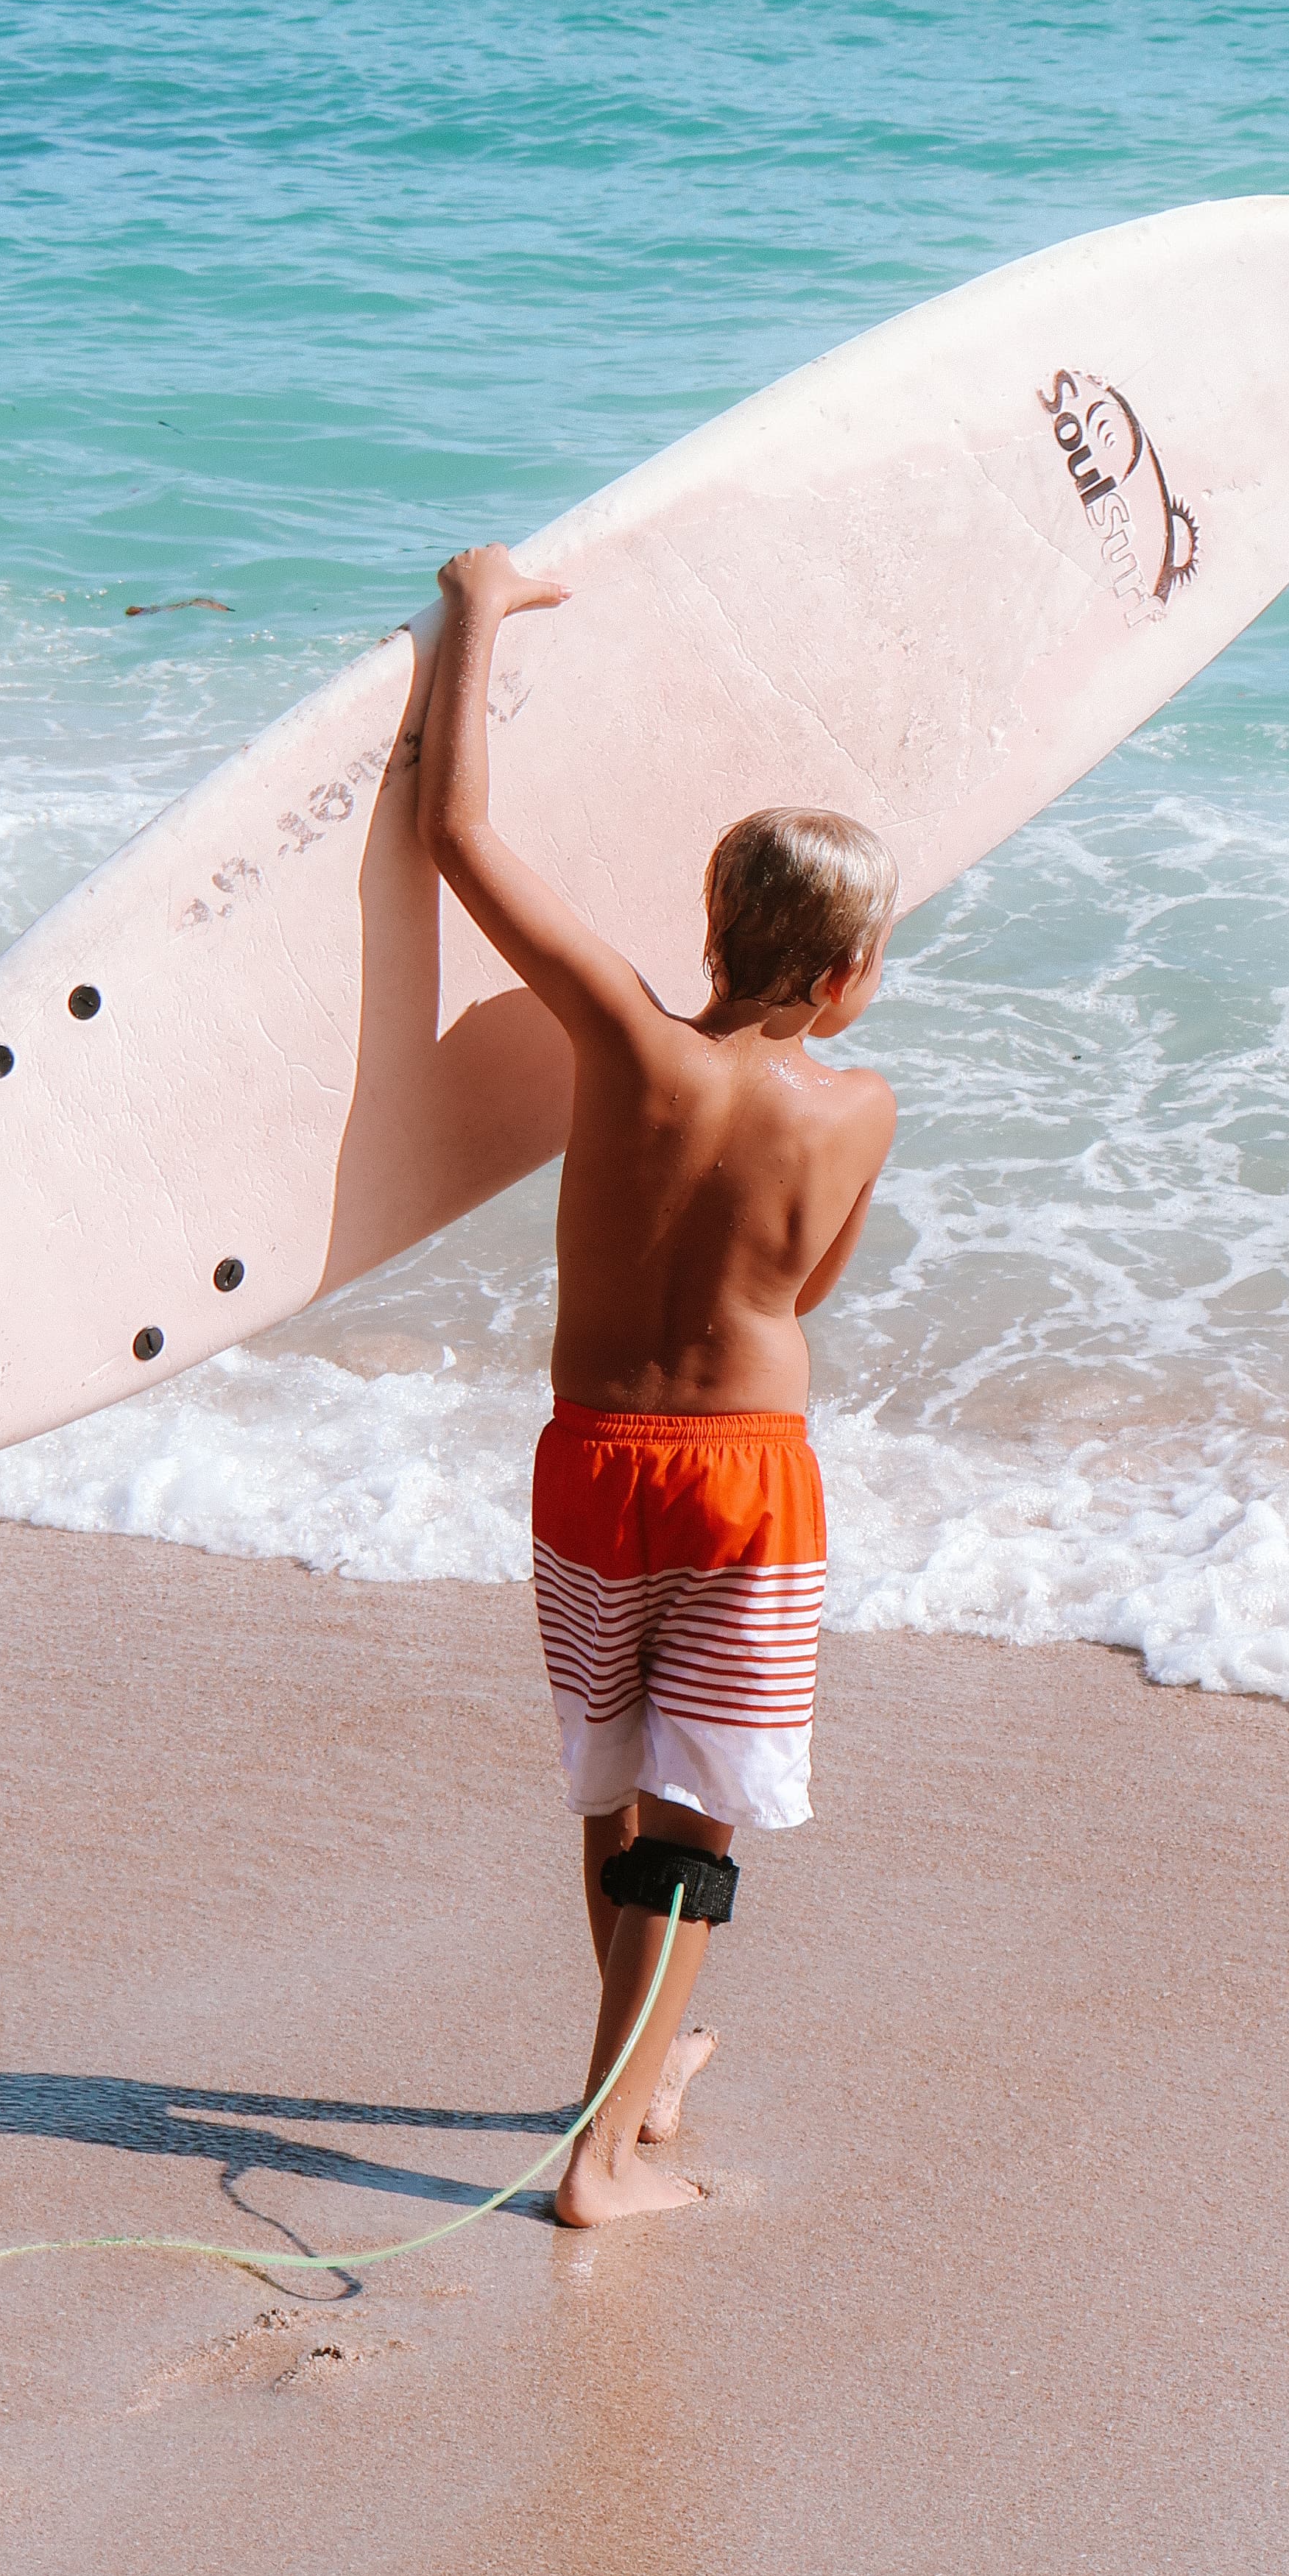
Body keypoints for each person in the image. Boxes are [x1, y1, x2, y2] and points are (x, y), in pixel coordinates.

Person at [415, 542, 898, 2226]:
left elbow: (458, 838)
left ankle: (637, 2075)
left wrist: (474, 617)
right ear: (846, 973)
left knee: (618, 1781)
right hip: (747, 1478)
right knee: (703, 1819)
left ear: (715, 926)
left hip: (591, 1457)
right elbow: (804, 1286)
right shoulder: (858, 1107)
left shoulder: (624, 1035)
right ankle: (605, 2160)